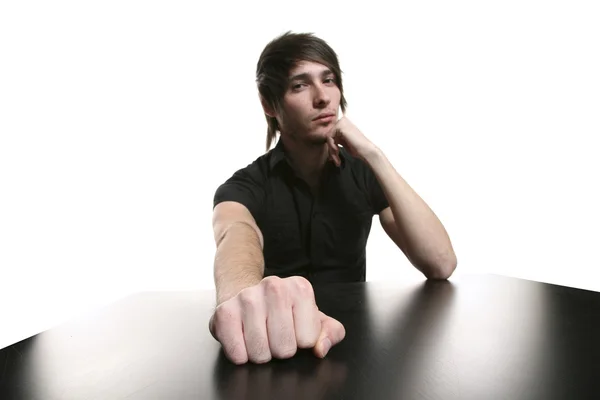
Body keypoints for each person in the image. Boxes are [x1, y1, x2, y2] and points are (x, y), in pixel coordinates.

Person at [209, 31, 457, 365]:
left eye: (329, 80)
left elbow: (440, 263)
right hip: (276, 344)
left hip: (357, 347)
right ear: (270, 104)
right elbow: (235, 236)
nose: (323, 97)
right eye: (300, 85)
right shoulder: (245, 186)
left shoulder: (363, 173)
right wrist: (243, 299)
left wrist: (373, 155)